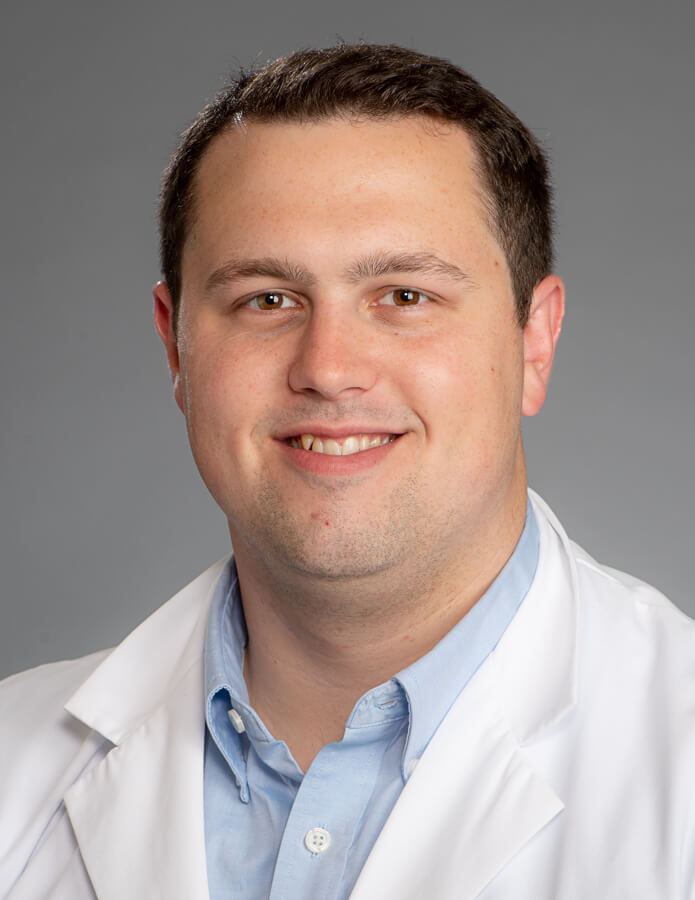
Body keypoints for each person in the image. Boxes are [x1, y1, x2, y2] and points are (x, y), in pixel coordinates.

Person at [1, 43, 693, 900]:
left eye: (404, 296)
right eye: (266, 299)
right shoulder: (12, 765)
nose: (328, 368)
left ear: (533, 341)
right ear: (173, 343)